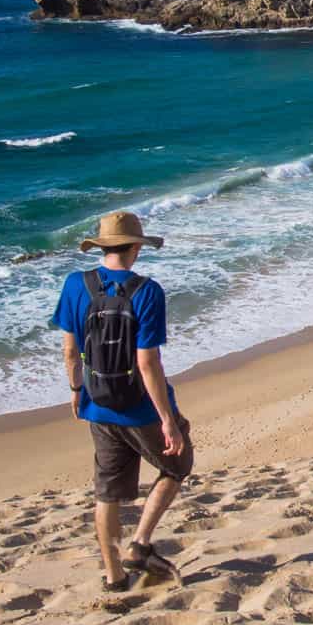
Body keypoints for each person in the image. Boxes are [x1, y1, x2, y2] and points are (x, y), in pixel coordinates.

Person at [52, 210, 193, 591]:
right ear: (135, 248)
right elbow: (147, 362)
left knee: (107, 493)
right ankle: (141, 545)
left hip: (98, 403)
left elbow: (69, 350)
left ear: (103, 246)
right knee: (178, 465)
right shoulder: (147, 291)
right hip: (141, 407)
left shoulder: (74, 285)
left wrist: (76, 390)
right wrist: (167, 418)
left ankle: (115, 579)